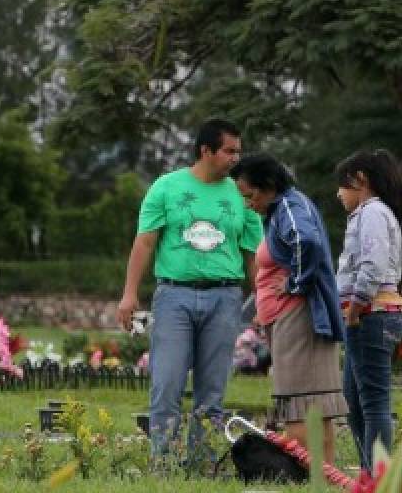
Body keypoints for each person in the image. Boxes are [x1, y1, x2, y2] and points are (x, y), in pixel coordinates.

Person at [116, 118, 263, 466]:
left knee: (212, 393)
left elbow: (253, 254)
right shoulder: (166, 187)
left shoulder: (243, 195)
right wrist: (129, 294)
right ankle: (162, 463)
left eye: (238, 151)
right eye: (229, 151)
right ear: (206, 150)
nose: (235, 158)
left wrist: (262, 301)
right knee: (166, 385)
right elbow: (145, 241)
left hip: (225, 298)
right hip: (174, 298)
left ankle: (201, 464)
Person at [232, 153, 348, 467]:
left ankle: (301, 476)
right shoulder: (285, 207)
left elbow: (306, 241)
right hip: (296, 318)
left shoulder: (289, 208)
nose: (248, 203)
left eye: (250, 195)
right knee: (316, 405)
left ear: (268, 186)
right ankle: (322, 479)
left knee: (299, 402)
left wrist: (296, 283)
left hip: (298, 319)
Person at [335, 149, 402, 473]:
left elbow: (372, 265)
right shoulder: (376, 213)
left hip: (371, 315)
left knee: (374, 403)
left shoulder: (372, 213)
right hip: (370, 315)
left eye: (342, 185)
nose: (339, 194)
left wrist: (354, 310)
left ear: (361, 180)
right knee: (354, 404)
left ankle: (377, 478)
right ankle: (371, 472)